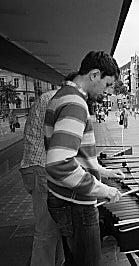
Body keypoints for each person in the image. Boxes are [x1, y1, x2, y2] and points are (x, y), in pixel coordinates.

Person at [44, 51, 125, 265]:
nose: (107, 91)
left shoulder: (63, 95)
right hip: (75, 202)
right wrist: (102, 190)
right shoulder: (75, 104)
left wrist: (102, 171)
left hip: (64, 197)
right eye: (107, 84)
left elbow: (72, 154)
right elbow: (59, 163)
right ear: (94, 74)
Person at [19, 90, 64, 266]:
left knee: (56, 228)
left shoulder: (51, 96)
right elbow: (61, 143)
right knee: (47, 232)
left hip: (37, 166)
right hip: (42, 168)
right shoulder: (59, 99)